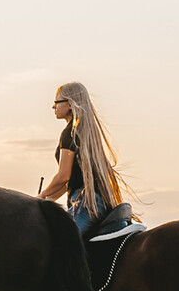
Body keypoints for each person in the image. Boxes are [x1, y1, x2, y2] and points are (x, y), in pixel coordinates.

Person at [38, 82, 127, 236]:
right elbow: (70, 181)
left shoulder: (69, 133)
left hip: (85, 204)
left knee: (63, 245)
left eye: (57, 102)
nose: (53, 107)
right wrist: (48, 201)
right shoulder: (86, 134)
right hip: (97, 202)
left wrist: (41, 195)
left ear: (70, 104)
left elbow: (63, 176)